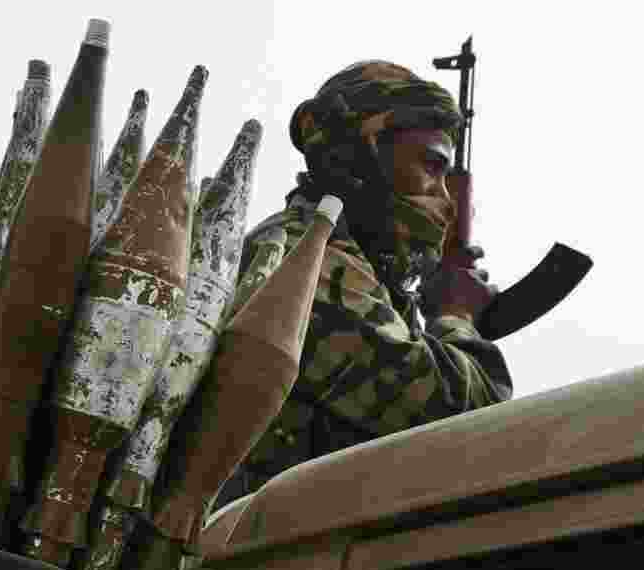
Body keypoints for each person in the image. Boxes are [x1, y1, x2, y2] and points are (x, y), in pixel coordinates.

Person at [212, 60, 513, 510]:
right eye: (431, 167)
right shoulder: (310, 261)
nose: (445, 201)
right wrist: (456, 316)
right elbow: (464, 426)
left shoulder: (346, 264)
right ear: (361, 154)